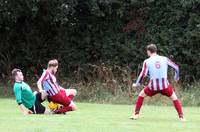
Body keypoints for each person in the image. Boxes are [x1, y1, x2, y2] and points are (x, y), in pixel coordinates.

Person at [130, 44, 185, 121]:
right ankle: (181, 117)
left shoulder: (147, 61)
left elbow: (143, 74)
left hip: (153, 87)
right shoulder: (164, 59)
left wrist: (137, 84)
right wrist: (176, 77)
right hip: (165, 86)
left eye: (147, 51)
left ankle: (136, 114)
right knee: (174, 98)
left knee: (141, 95)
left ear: (149, 52)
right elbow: (176, 67)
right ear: (155, 51)